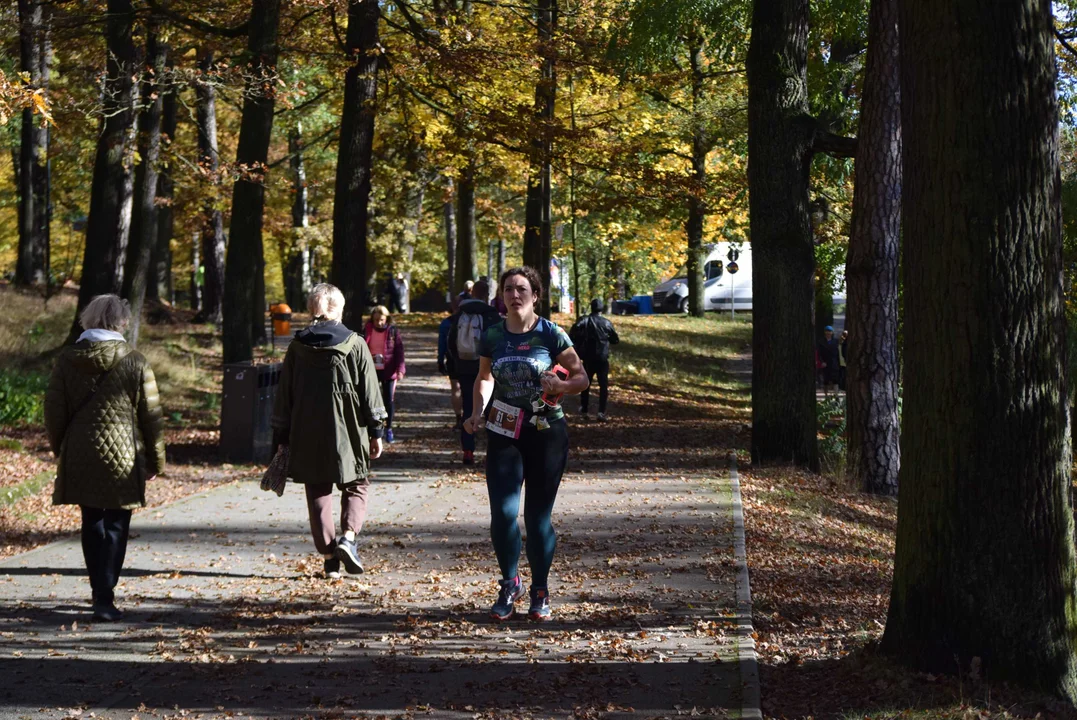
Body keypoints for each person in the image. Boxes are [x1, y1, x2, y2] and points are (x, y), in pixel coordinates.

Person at [464, 266, 589, 621]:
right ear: (501, 297)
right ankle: (510, 582)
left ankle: (540, 590)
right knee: (502, 514)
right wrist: (477, 412)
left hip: (546, 435)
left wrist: (561, 387)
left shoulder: (551, 333)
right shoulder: (492, 335)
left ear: (535, 295)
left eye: (522, 289)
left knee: (536, 519)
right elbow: (484, 378)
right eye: (508, 290)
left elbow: (580, 377)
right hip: (504, 433)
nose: (514, 295)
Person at [44, 294, 166, 622]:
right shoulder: (135, 360)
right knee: (116, 523)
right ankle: (105, 596)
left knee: (91, 520)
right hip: (123, 454)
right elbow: (150, 416)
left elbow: (54, 411)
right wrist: (156, 460)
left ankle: (98, 591)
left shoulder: (68, 359)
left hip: (81, 450)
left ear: (88, 319)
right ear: (122, 322)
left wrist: (62, 449)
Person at [272, 284, 387, 579]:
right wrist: (376, 431)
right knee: (356, 484)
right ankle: (348, 538)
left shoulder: (297, 347)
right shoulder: (355, 343)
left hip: (306, 430)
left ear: (312, 309)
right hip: (349, 428)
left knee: (317, 488)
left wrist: (281, 437)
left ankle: (328, 558)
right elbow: (370, 393)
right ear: (339, 308)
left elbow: (285, 394)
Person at [449, 280, 502, 464]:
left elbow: (450, 341)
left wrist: (456, 363)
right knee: (491, 409)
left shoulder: (459, 314)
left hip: (464, 368)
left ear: (472, 292)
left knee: (468, 408)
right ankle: (494, 452)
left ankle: (468, 451)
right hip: (488, 371)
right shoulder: (492, 316)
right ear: (488, 295)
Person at [569, 298, 620, 421]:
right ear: (601, 309)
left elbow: (574, 331)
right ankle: (601, 412)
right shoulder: (607, 323)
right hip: (602, 359)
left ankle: (584, 410)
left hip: (588, 358)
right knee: (603, 386)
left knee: (586, 384)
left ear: (591, 307)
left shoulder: (585, 320)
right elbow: (615, 340)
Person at [364, 306, 405, 444]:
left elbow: (399, 351)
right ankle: (373, 429)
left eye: (381, 320)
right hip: (372, 370)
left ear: (386, 319)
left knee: (388, 400)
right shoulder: (367, 330)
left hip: (389, 370)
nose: (379, 323)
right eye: (376, 320)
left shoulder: (392, 331)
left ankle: (389, 428)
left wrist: (400, 369)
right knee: (371, 400)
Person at [438, 306, 465, 430]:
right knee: (470, 388)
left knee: (456, 388)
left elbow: (442, 343)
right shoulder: (475, 320)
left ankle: (458, 418)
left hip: (453, 359)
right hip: (472, 360)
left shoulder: (446, 323)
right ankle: (469, 416)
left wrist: (440, 360)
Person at [817, 325, 840, 394]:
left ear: (832, 332)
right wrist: (822, 362)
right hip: (825, 364)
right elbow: (819, 353)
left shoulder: (836, 341)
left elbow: (838, 353)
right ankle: (826, 396)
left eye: (829, 331)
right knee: (826, 381)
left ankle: (836, 396)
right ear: (824, 332)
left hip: (834, 363)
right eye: (827, 331)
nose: (828, 333)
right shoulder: (821, 342)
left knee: (835, 380)